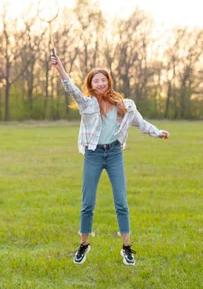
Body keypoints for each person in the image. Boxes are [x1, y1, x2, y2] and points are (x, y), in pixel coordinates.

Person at [50, 54, 169, 266]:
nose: (100, 83)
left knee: (121, 203)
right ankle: (84, 244)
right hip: (93, 154)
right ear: (91, 84)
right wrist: (60, 68)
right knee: (87, 203)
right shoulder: (86, 104)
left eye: (103, 79)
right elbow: (71, 88)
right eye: (96, 80)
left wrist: (158, 132)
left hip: (114, 154)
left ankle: (126, 247)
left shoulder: (125, 105)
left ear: (108, 82)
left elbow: (141, 124)